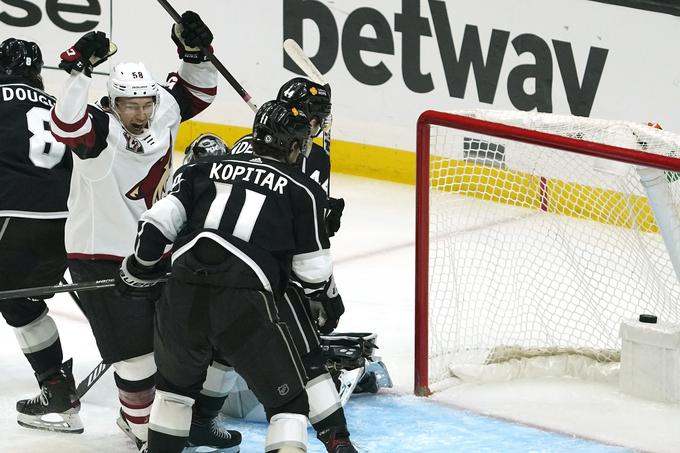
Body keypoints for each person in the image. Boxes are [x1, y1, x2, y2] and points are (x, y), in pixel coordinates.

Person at [48, 12, 237, 451]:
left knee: (177, 345)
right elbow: (65, 125)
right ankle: (140, 426)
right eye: (129, 105)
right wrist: (79, 71)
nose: (140, 113)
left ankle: (169, 418)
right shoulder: (100, 130)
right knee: (135, 357)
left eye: (145, 103)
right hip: (97, 255)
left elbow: (197, 90)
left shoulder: (161, 109)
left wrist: (193, 52)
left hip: (150, 254)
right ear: (112, 104)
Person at [115, 100, 342, 453]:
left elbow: (155, 227)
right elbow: (312, 275)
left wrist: (140, 268)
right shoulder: (303, 191)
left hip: (182, 295)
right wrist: (329, 303)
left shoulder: (199, 170)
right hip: (245, 305)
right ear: (296, 147)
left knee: (174, 396)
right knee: (288, 408)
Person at [227, 78, 355, 452]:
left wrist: (321, 217)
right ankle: (335, 436)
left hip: (239, 267)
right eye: (313, 121)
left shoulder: (309, 155)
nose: (317, 129)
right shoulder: (280, 153)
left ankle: (201, 413)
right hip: (265, 269)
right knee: (306, 343)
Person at [0, 37, 81, 433]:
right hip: (70, 226)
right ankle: (56, 389)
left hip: (12, 217)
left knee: (17, 299)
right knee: (21, 303)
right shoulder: (60, 107)